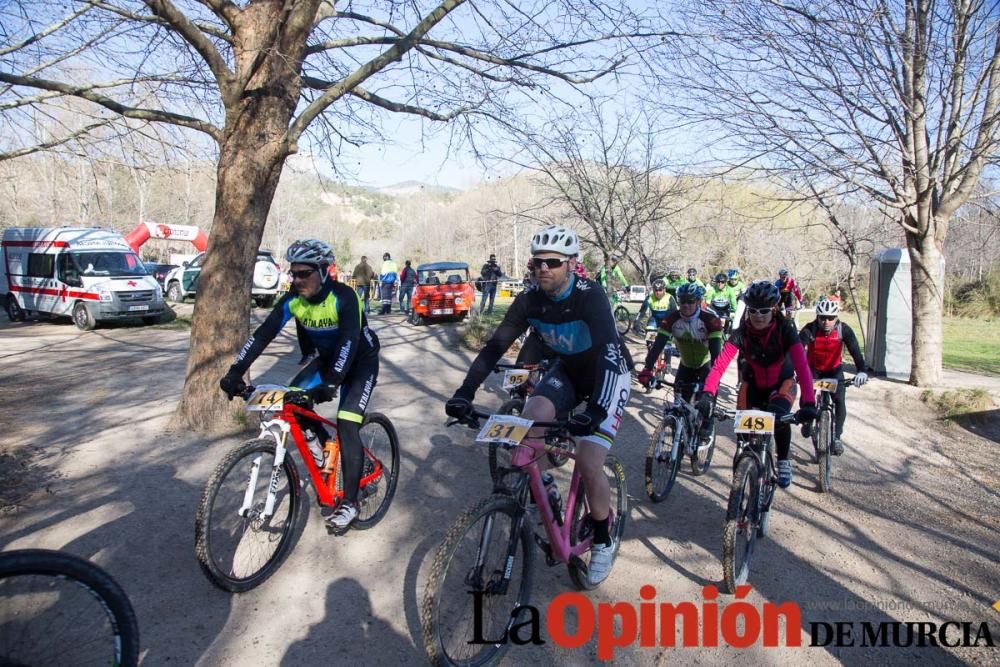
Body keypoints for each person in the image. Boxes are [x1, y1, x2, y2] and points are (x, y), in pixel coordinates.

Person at [445, 225, 632, 586]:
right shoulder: (529, 300)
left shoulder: (590, 296)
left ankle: (604, 538)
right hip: (569, 372)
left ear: (572, 265)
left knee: (591, 459)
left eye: (553, 262)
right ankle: (545, 485)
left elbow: (610, 352)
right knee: (530, 423)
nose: (543, 268)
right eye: (537, 262)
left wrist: (595, 412)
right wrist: (464, 393)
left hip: (609, 376)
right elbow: (494, 348)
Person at [219, 240, 380, 530]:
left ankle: (351, 503)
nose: (297, 279)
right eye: (294, 273)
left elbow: (348, 343)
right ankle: (324, 457)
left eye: (305, 273)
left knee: (346, 422)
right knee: (293, 402)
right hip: (330, 361)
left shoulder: (344, 297)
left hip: (360, 361)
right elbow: (262, 335)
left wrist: (331, 384)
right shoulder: (293, 298)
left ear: (324, 270)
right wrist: (236, 371)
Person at [696, 281, 817, 489]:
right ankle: (742, 475)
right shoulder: (741, 333)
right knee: (742, 434)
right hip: (753, 384)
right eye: (753, 310)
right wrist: (707, 394)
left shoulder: (785, 330)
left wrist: (809, 402)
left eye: (764, 310)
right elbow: (718, 367)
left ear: (774, 309)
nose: (758, 315)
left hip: (782, 384)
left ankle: (783, 460)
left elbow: (803, 368)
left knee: (779, 418)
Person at [638, 283, 724, 438]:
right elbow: (657, 346)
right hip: (686, 366)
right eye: (682, 300)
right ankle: (680, 441)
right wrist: (647, 368)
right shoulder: (672, 319)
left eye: (690, 301)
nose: (685, 305)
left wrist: (711, 384)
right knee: (680, 406)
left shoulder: (710, 320)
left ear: (698, 301)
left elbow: (716, 355)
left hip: (705, 364)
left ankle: (708, 422)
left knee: (704, 401)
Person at [798, 298, 871, 455]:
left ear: (836, 317)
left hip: (834, 370)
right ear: (817, 317)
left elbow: (856, 352)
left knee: (839, 401)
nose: (826, 322)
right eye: (823, 317)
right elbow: (797, 350)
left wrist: (862, 371)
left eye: (831, 318)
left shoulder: (844, 330)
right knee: (806, 396)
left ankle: (837, 438)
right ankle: (807, 420)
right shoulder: (809, 329)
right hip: (813, 369)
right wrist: (795, 372)